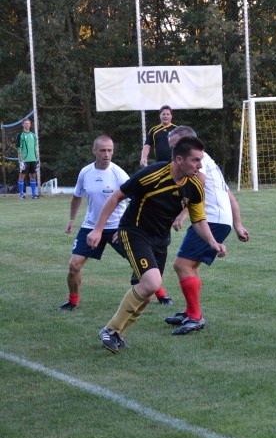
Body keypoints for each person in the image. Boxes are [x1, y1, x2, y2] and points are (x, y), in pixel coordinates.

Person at [87, 136, 226, 354]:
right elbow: (116, 197)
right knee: (152, 283)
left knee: (146, 294)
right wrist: (98, 229)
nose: (200, 165)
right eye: (195, 160)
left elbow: (199, 219)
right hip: (135, 232)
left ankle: (118, 335)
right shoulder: (152, 174)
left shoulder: (194, 186)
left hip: (161, 240)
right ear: (179, 160)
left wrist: (212, 242)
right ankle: (110, 330)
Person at [165, 126, 250, 335]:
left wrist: (182, 214)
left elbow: (199, 185)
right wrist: (237, 224)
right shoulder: (207, 161)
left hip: (210, 219)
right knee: (190, 266)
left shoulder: (197, 163)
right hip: (218, 219)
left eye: (175, 146)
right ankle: (190, 312)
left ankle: (195, 317)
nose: (173, 151)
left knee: (182, 265)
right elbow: (228, 193)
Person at [59, 135, 129, 312]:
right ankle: (73, 301)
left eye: (110, 150)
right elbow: (77, 196)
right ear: (94, 151)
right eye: (103, 150)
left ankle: (161, 294)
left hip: (116, 228)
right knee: (74, 265)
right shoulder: (85, 172)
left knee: (141, 261)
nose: (107, 154)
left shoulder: (119, 174)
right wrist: (72, 219)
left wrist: (124, 227)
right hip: (90, 226)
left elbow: (135, 202)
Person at [139, 104, 177, 306]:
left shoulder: (176, 130)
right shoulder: (154, 130)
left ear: (171, 116)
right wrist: (144, 158)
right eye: (163, 114)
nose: (165, 116)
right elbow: (147, 146)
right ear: (160, 116)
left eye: (168, 114)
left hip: (173, 166)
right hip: (159, 166)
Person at [16, 118, 39, 199]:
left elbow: (36, 148)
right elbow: (18, 148)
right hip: (24, 159)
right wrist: (21, 161)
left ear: (30, 124)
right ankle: (21, 194)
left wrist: (37, 159)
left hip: (33, 159)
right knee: (22, 176)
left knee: (33, 175)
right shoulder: (20, 135)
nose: (27, 125)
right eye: (25, 123)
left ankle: (34, 194)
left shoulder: (33, 135)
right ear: (22, 125)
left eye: (28, 123)